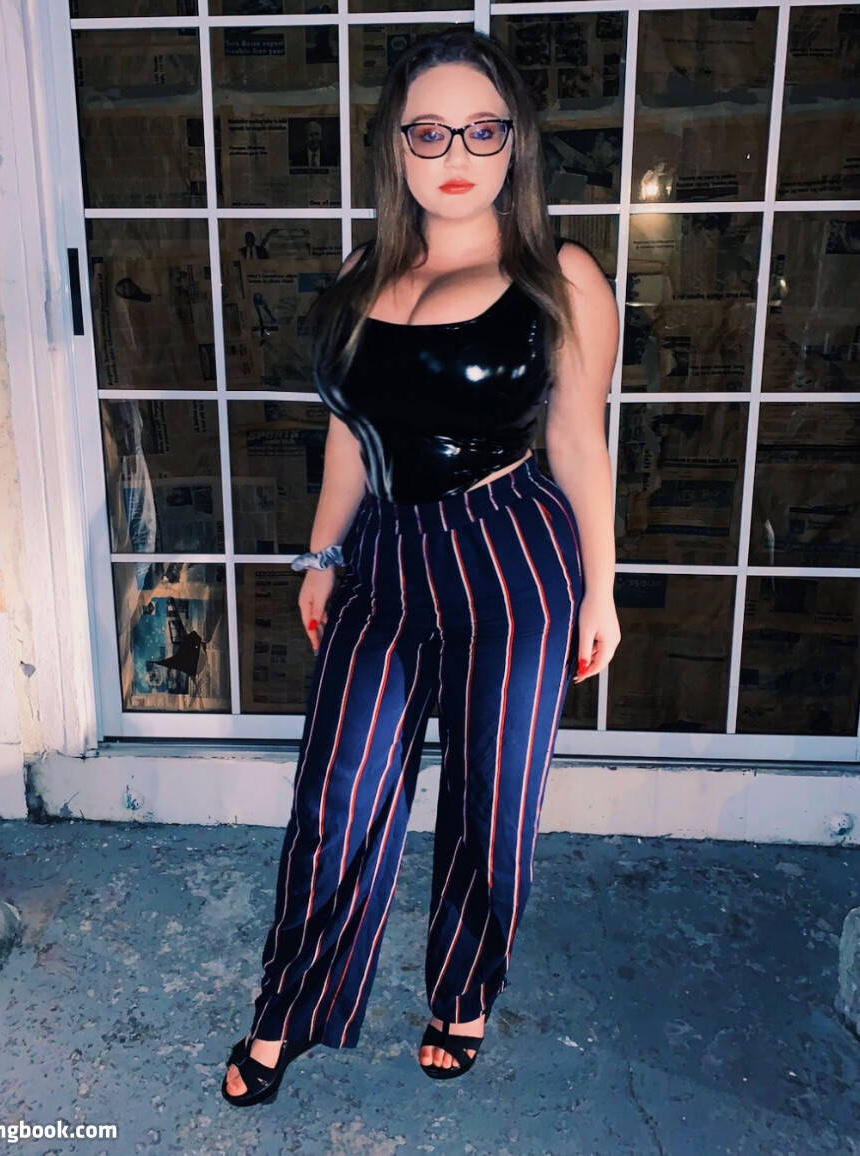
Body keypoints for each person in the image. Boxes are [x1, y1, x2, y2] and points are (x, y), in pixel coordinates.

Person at [223, 27, 620, 1107]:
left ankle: (463, 995)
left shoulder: (558, 276)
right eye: (429, 131)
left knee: (493, 806)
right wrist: (322, 555)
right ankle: (289, 1007)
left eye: (482, 130)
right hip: (383, 560)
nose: (456, 153)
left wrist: (601, 588)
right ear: (395, 145)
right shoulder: (366, 272)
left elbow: (578, 439)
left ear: (514, 141)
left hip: (510, 558)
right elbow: (349, 434)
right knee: (336, 797)